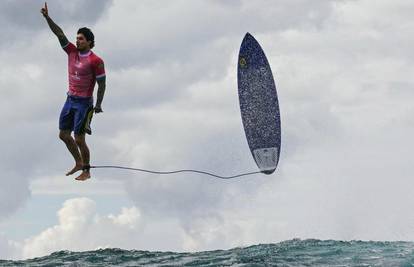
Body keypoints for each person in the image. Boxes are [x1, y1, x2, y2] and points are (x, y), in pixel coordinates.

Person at [41, 2, 106, 181]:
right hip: (70, 99)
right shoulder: (71, 52)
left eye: (81, 39)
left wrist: (98, 105)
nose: (77, 41)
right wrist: (47, 18)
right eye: (77, 38)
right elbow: (59, 33)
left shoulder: (96, 61)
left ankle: (86, 170)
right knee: (63, 135)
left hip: (84, 104)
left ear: (90, 42)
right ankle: (78, 162)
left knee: (79, 138)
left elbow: (102, 84)